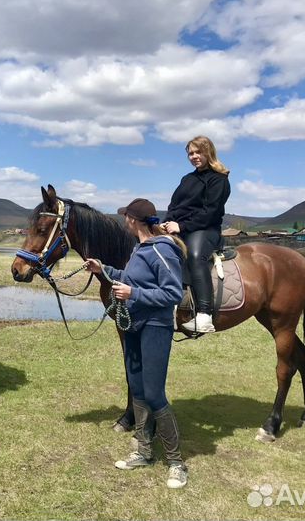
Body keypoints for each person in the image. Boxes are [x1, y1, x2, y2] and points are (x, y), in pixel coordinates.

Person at [84, 198, 188, 489]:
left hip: (155, 327)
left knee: (155, 394)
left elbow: (172, 294)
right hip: (133, 325)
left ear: (132, 220)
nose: (123, 222)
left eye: (125, 217)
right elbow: (130, 278)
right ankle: (143, 452)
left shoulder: (162, 249)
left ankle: (176, 463)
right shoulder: (139, 249)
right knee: (139, 389)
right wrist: (103, 269)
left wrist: (133, 294)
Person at [162, 136, 230, 333]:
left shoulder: (219, 180)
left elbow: (211, 213)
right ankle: (169, 311)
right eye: (190, 153)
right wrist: (167, 222)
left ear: (208, 152)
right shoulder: (187, 179)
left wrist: (181, 226)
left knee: (193, 256)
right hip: (179, 227)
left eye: (197, 152)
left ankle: (204, 315)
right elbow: (174, 205)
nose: (194, 156)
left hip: (205, 230)